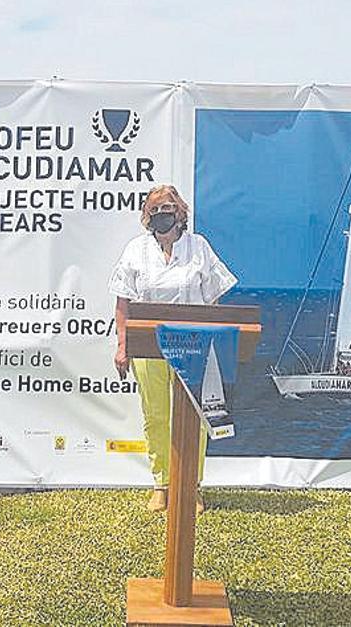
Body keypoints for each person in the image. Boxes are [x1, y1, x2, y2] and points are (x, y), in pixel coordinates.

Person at [109, 185, 237, 513]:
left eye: (167, 208)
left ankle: (191, 487)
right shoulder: (136, 250)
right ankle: (161, 485)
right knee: (156, 416)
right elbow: (122, 301)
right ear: (146, 216)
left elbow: (215, 297)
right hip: (148, 345)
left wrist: (211, 336)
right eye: (154, 210)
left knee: (195, 416)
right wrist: (123, 345)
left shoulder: (199, 247)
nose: (161, 214)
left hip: (194, 345)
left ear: (180, 212)